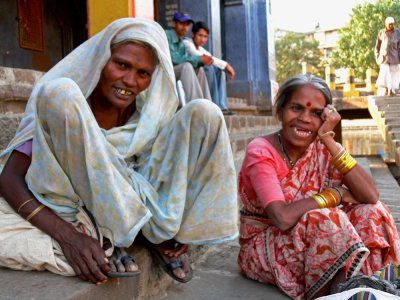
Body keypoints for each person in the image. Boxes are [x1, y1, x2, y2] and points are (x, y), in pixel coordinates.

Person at [0, 18, 238, 285]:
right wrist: (68, 236)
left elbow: (155, 169)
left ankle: (152, 230)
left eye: (143, 73)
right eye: (121, 65)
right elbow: (9, 179)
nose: (130, 81)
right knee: (59, 91)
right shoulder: (64, 104)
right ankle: (118, 229)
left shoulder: (149, 113)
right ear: (102, 59)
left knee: (205, 112)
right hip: (81, 200)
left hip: (138, 196)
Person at [237, 74, 400, 299]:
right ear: (280, 111)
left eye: (316, 113)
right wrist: (335, 195)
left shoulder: (321, 147)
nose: (305, 119)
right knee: (327, 218)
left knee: (373, 212)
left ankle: (367, 283)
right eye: (296, 108)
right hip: (264, 245)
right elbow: (281, 217)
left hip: (309, 239)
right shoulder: (261, 151)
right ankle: (340, 294)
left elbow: (370, 195)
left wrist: (329, 140)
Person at [183, 21, 236, 115]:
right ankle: (213, 105)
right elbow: (201, 57)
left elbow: (210, 58)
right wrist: (226, 65)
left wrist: (224, 67)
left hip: (201, 75)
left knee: (219, 71)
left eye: (205, 36)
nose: (202, 39)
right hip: (190, 76)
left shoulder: (202, 49)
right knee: (209, 68)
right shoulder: (186, 43)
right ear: (193, 34)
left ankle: (221, 106)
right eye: (200, 35)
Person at [165, 12, 213, 102]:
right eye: (182, 23)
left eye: (187, 25)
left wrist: (200, 61)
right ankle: (197, 106)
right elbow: (173, 59)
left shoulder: (181, 43)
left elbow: (186, 58)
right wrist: (200, 59)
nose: (185, 27)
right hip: (164, 72)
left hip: (174, 71)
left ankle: (206, 104)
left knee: (199, 69)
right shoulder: (166, 36)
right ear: (174, 23)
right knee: (186, 66)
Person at [375, 16, 400, 96]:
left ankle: (391, 90)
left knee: (394, 74)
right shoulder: (382, 32)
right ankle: (385, 89)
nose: (391, 26)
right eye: (389, 24)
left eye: (392, 24)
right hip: (384, 57)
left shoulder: (397, 32)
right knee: (384, 73)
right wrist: (377, 56)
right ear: (386, 24)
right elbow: (377, 46)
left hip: (394, 57)